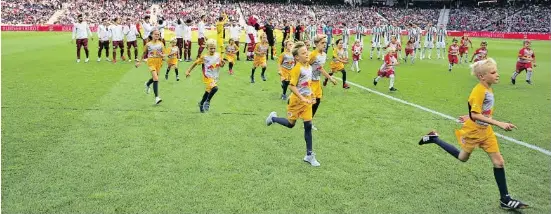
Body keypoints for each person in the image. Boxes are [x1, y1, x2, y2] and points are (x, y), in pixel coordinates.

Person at [418, 58, 528, 210]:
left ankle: (505, 199)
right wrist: (499, 123)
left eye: (496, 71)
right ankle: (434, 138)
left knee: (499, 162)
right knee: (462, 158)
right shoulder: (479, 90)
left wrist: (468, 114)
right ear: (482, 77)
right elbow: (476, 114)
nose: (497, 74)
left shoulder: (488, 88)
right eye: (493, 72)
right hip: (474, 131)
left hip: (486, 131)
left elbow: (477, 111)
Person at [265, 41, 320, 167]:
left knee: (308, 126)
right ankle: (273, 118)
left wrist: (311, 95)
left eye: (307, 52)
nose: (307, 54)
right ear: (297, 57)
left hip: (306, 102)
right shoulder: (297, 69)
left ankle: (309, 155)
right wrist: (302, 98)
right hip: (296, 102)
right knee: (291, 124)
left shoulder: (309, 68)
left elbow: (307, 84)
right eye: (303, 53)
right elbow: (292, 86)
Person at [185, 39, 225, 113]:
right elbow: (195, 63)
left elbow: (221, 65)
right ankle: (207, 102)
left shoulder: (218, 55)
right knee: (215, 88)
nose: (212, 50)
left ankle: (201, 103)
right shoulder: (204, 57)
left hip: (215, 77)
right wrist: (188, 71)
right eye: (211, 48)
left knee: (207, 92)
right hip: (207, 76)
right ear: (207, 48)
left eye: (214, 48)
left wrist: (223, 63)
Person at [310, 34, 337, 131]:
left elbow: (319, 68)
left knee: (317, 101)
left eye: (325, 43)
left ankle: (309, 121)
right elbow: (306, 65)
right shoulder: (313, 55)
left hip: (316, 81)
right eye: (322, 43)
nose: (324, 44)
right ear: (316, 43)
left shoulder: (324, 55)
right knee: (311, 102)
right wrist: (330, 78)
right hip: (309, 82)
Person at [135, 30, 164, 105]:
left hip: (159, 62)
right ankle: (157, 97)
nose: (157, 35)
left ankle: (147, 84)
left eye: (158, 34)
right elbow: (144, 53)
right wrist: (139, 62)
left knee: (155, 77)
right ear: (151, 35)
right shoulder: (148, 44)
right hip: (151, 62)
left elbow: (164, 54)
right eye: (155, 34)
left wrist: (161, 54)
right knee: (156, 78)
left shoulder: (161, 44)